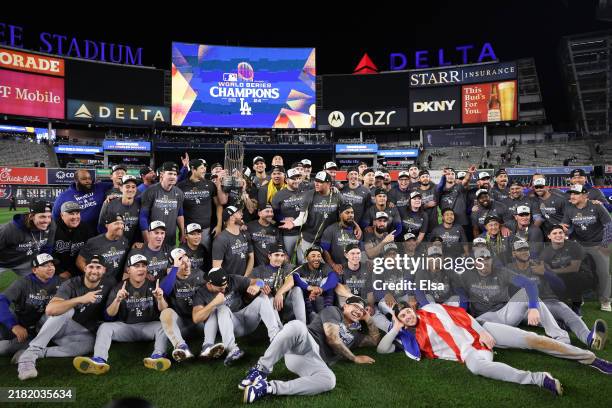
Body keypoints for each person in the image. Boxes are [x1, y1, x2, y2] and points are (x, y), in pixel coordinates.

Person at [378, 300, 612, 396]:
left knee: (532, 339)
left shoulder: (431, 308)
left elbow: (463, 315)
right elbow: (381, 350)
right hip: (469, 351)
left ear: (412, 308)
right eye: (402, 316)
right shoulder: (409, 338)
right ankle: (538, 379)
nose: (407, 316)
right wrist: (395, 326)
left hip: (483, 330)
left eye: (407, 311)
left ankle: (591, 359)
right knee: (477, 368)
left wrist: (483, 333)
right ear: (400, 320)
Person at [240, 296, 379, 403]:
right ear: (345, 306)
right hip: (305, 344)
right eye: (355, 306)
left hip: (314, 363)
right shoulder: (334, 311)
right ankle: (261, 370)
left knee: (329, 380)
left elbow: (374, 340)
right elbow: (332, 338)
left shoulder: (355, 335)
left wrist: (368, 318)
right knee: (297, 325)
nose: (359, 311)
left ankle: (266, 388)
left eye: (361, 310)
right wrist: (354, 358)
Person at [16, 254, 115, 380]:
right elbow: (51, 310)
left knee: (90, 343)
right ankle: (28, 357)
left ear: (104, 270)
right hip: (50, 322)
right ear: (85, 268)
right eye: (91, 266)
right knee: (67, 311)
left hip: (72, 329)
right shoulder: (71, 284)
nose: (94, 271)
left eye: (98, 267)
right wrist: (80, 299)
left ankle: (39, 353)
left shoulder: (109, 283)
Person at [73, 254, 172, 375]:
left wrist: (160, 298)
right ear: (128, 270)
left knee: (164, 325)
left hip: (148, 327)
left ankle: (158, 356)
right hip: (126, 327)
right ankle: (99, 360)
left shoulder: (154, 286)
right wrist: (117, 300)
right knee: (104, 327)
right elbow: (108, 317)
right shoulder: (119, 287)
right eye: (136, 266)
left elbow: (164, 311)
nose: (141, 269)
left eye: (143, 266)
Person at [507, 240, 608, 351]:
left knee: (568, 312)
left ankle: (589, 338)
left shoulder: (540, 265)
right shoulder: (509, 269)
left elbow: (560, 286)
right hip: (527, 306)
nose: (524, 252)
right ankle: (560, 325)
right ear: (513, 253)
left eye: (525, 249)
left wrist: (545, 273)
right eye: (519, 250)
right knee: (542, 316)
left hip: (550, 301)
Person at [191, 267, 281, 366]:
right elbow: (196, 318)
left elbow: (260, 281)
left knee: (263, 297)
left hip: (247, 317)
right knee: (222, 308)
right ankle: (232, 350)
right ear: (209, 284)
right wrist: (214, 303)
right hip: (232, 325)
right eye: (221, 288)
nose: (224, 289)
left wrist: (256, 285)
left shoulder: (232, 279)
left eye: (225, 286)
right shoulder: (201, 293)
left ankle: (276, 338)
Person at [0, 254, 62, 358]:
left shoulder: (60, 282)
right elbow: (1, 301)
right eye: (45, 265)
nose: (50, 267)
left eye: (52, 264)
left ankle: (28, 348)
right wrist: (13, 325)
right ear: (34, 270)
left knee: (4, 349)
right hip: (20, 323)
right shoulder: (23, 283)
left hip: (38, 331)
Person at [561, 184, 612, 311]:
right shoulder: (569, 209)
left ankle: (605, 300)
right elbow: (566, 226)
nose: (572, 196)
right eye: (571, 194)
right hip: (580, 245)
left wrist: (605, 244)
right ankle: (578, 298)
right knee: (577, 272)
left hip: (598, 244)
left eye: (575, 194)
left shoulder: (597, 206)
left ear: (585, 195)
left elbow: (609, 225)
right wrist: (562, 228)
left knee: (603, 273)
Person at [280, 171, 346, 264]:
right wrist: (293, 223)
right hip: (310, 238)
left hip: (329, 238)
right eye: (316, 181)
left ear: (329, 184)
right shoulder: (309, 195)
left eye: (320, 182)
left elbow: (346, 214)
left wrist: (356, 226)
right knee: (307, 264)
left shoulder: (337, 195)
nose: (316, 183)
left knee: (330, 265)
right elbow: (302, 217)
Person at [273, 246, 338, 324]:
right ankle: (309, 315)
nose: (316, 258)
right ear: (307, 257)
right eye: (313, 256)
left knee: (328, 281)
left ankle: (327, 311)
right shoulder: (301, 268)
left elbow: (334, 278)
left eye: (319, 256)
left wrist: (321, 289)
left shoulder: (324, 266)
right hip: (293, 307)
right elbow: (296, 279)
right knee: (299, 287)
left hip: (317, 300)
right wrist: (310, 288)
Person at [177, 158, 225, 253]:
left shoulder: (210, 184)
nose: (204, 170)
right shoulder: (181, 186)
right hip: (188, 231)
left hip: (205, 230)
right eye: (202, 168)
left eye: (205, 168)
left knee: (205, 256)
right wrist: (182, 231)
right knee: (186, 257)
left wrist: (219, 225)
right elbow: (178, 211)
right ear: (193, 169)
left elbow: (219, 205)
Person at [0, 200, 56, 277]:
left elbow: (47, 247)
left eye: (49, 216)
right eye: (42, 216)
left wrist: (43, 266)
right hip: (2, 262)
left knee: (41, 280)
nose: (47, 221)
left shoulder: (51, 226)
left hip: (26, 262)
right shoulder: (10, 229)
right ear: (31, 216)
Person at [140, 161, 185, 247]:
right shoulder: (150, 191)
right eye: (170, 173)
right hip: (154, 238)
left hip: (171, 239)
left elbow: (180, 214)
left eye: (175, 174)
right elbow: (143, 217)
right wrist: (146, 237)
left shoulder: (179, 193)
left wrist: (182, 232)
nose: (173, 176)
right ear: (162, 174)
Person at [77, 214, 129, 281]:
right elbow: (79, 261)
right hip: (96, 282)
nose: (121, 226)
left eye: (122, 223)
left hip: (114, 282)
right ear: (107, 225)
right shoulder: (93, 242)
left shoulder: (124, 241)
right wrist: (91, 275)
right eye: (116, 223)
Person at [53, 201, 95, 279]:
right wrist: (59, 271)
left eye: (77, 213)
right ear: (62, 215)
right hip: (58, 272)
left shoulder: (85, 228)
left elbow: (91, 250)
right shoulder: (54, 229)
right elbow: (48, 253)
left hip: (79, 270)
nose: (75, 217)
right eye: (71, 214)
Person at [271, 168, 305, 260]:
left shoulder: (306, 191)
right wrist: (282, 218)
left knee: (303, 260)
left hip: (305, 232)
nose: (296, 181)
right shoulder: (279, 195)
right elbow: (274, 213)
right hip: (289, 233)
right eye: (293, 178)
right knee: (288, 260)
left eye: (298, 178)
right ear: (286, 180)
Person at [98, 175, 141, 244]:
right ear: (120, 188)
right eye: (127, 186)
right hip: (113, 245)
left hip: (133, 246)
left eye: (133, 187)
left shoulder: (140, 204)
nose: (130, 190)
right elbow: (101, 226)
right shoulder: (109, 203)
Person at [212, 206, 254, 276]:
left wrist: (245, 277)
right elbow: (216, 267)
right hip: (229, 282)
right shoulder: (220, 239)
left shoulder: (245, 234)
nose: (242, 214)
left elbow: (251, 256)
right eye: (238, 213)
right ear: (231, 217)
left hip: (244, 280)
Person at [321, 203, 362, 270]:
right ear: (340, 215)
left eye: (352, 213)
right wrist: (333, 265)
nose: (350, 215)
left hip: (353, 268)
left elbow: (361, 251)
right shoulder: (331, 230)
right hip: (337, 268)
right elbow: (325, 250)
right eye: (347, 213)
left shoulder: (358, 232)